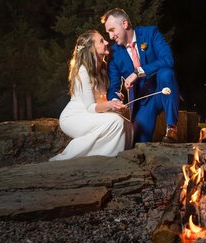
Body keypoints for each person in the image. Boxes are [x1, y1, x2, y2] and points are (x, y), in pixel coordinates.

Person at [50, 30, 133, 161]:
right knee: (117, 122)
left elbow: (103, 99)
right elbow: (90, 107)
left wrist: (116, 100)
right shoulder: (83, 70)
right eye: (101, 41)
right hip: (75, 117)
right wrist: (110, 104)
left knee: (128, 125)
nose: (107, 42)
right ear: (91, 49)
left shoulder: (103, 69)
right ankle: (67, 157)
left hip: (93, 114)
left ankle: (108, 157)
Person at [101, 8, 180, 143]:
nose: (110, 36)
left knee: (166, 73)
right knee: (138, 142)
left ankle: (171, 128)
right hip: (143, 102)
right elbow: (113, 87)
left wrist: (138, 72)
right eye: (108, 32)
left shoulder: (150, 33)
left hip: (164, 91)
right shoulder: (113, 53)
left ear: (124, 24)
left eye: (112, 30)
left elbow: (168, 60)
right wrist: (115, 100)